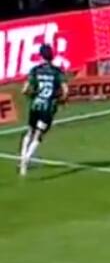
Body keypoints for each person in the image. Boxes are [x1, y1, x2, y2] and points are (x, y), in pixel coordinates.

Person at [18, 44, 68, 177]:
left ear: (40, 55)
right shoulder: (57, 71)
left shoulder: (35, 70)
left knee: (29, 131)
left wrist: (32, 94)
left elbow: (24, 90)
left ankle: (22, 158)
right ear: (51, 55)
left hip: (35, 106)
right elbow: (65, 91)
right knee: (38, 135)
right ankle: (27, 159)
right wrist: (61, 100)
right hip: (48, 108)